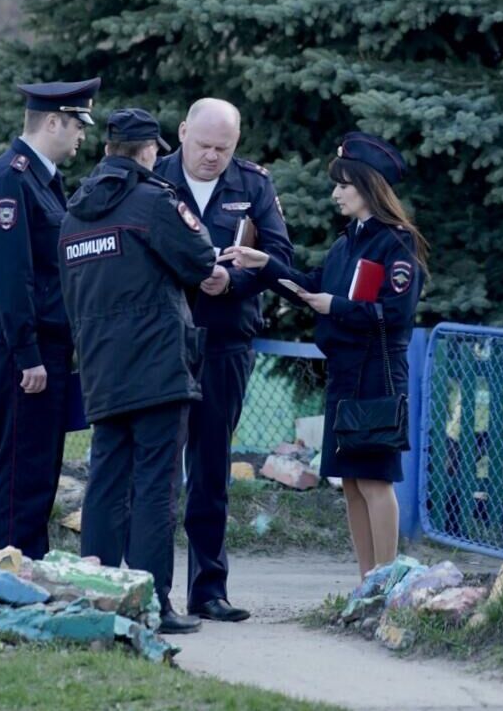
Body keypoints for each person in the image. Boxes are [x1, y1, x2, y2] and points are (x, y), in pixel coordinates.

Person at [220, 132, 427, 579]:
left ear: (370, 187)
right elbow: (313, 286)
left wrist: (335, 306)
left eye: (344, 186)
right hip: (345, 373)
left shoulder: (396, 243)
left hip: (378, 374)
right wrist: (265, 265)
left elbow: (395, 313)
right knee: (350, 483)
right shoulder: (345, 243)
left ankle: (386, 584)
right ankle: (365, 581)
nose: (335, 194)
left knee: (373, 479)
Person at [58, 108, 220, 634]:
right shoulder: (154, 202)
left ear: (107, 151)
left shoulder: (74, 214)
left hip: (101, 369)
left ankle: (94, 593)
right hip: (157, 370)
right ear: (151, 151)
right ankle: (152, 602)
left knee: (105, 482)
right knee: (155, 486)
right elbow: (199, 260)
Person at [154, 98, 294, 623]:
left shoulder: (253, 185)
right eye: (203, 145)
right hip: (165, 338)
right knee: (159, 467)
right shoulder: (156, 178)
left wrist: (232, 280)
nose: (212, 157)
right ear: (183, 132)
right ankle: (152, 586)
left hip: (225, 338)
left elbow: (280, 259)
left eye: (223, 148)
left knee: (211, 468)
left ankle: (209, 589)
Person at [0, 77, 100, 560]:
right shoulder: (10, 180)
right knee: (23, 466)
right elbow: (10, 278)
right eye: (76, 124)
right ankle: (12, 568)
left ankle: (31, 563)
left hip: (46, 348)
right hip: (23, 352)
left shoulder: (43, 180)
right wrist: (27, 354)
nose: (82, 135)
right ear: (52, 122)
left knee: (41, 465)